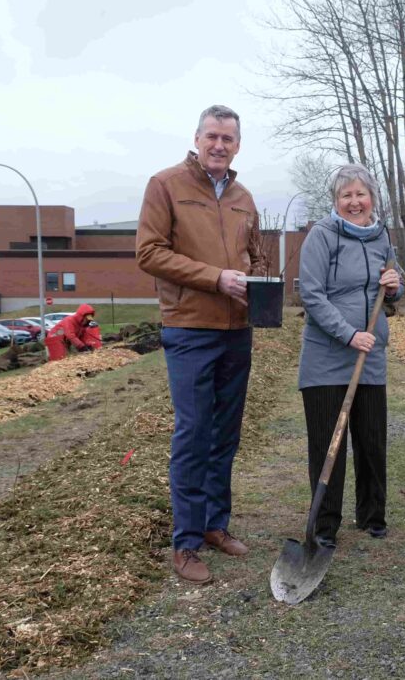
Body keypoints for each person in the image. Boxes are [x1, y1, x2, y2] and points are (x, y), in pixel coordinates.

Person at [136, 104, 268, 584]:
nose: (219, 145)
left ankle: (215, 524)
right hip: (190, 328)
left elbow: (256, 256)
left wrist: (257, 279)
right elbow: (149, 252)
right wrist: (216, 278)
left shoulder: (243, 197)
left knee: (225, 434)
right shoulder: (165, 185)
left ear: (238, 145)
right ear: (196, 139)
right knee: (193, 434)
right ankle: (186, 542)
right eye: (212, 136)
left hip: (236, 330)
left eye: (227, 138)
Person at [298, 164, 404, 549]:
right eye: (347, 195)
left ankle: (372, 515)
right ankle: (325, 525)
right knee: (329, 444)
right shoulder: (321, 236)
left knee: (372, 440)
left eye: (361, 194)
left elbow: (395, 282)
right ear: (336, 200)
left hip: (369, 356)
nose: (355, 202)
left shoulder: (381, 236)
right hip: (327, 357)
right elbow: (311, 295)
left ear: (372, 198)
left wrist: (394, 284)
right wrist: (348, 334)